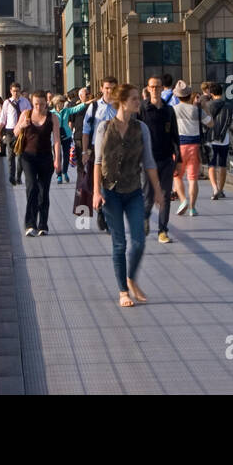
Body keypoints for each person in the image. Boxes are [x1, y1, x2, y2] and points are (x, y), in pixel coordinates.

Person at [93, 83, 163, 307]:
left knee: (140, 241)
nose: (138, 102)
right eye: (133, 99)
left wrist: (158, 192)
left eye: (137, 98)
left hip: (133, 190)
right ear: (122, 102)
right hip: (110, 192)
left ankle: (131, 277)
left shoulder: (141, 128)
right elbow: (97, 162)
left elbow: (149, 162)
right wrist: (96, 192)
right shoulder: (104, 128)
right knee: (119, 244)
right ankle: (123, 291)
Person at [16, 90, 62, 236]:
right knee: (32, 187)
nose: (38, 107)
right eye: (36, 104)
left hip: (45, 158)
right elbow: (16, 132)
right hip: (28, 157)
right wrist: (22, 125)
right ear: (31, 102)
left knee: (44, 191)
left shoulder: (52, 117)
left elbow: (56, 140)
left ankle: (42, 224)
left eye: (42, 104)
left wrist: (57, 159)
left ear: (46, 104)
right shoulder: (26, 114)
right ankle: (30, 224)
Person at [140, 77, 180, 243]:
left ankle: (162, 230)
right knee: (147, 196)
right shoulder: (142, 109)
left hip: (166, 159)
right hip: (147, 160)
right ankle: (145, 219)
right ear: (148, 89)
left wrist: (178, 159)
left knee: (164, 197)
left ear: (162, 88)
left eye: (158, 87)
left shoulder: (168, 110)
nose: (155, 90)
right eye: (152, 87)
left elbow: (175, 136)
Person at [80, 76, 119, 231]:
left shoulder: (120, 105)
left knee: (112, 185)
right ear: (102, 88)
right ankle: (102, 210)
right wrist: (84, 151)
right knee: (99, 184)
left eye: (112, 88)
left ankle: (108, 216)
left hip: (117, 151)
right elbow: (85, 130)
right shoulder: (94, 107)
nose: (109, 91)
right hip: (98, 150)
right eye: (107, 88)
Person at [172, 82, 213, 216]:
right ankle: (192, 208)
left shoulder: (173, 110)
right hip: (195, 146)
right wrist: (205, 107)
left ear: (177, 96)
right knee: (193, 178)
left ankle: (183, 200)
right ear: (190, 95)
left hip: (179, 147)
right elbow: (211, 123)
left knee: (177, 177)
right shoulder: (197, 110)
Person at [204, 82, 233, 199]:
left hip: (211, 139)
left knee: (211, 165)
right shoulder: (229, 105)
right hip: (224, 139)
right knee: (222, 165)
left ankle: (215, 189)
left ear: (211, 93)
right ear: (222, 92)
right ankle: (221, 190)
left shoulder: (208, 105)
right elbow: (229, 122)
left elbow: (205, 121)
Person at [0, 84, 31, 185]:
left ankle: (18, 176)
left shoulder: (25, 102)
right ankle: (11, 176)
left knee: (20, 155)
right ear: (11, 91)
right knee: (10, 155)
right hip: (10, 130)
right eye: (14, 91)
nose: (16, 93)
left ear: (20, 91)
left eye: (17, 91)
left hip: (22, 130)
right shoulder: (7, 103)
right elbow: (3, 119)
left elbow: (29, 115)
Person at [52, 96, 74, 183]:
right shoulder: (52, 113)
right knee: (57, 156)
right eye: (60, 102)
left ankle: (65, 171)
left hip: (66, 135)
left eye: (63, 102)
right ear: (56, 103)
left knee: (66, 155)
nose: (62, 104)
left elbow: (75, 109)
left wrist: (85, 103)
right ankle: (59, 174)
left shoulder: (66, 110)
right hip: (56, 136)